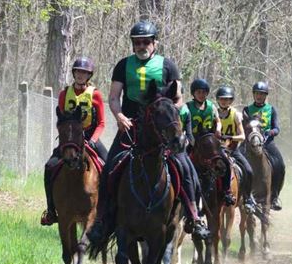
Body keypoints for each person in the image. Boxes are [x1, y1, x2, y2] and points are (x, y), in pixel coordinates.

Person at [87, 20, 208, 243]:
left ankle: (195, 216)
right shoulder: (123, 65)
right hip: (131, 127)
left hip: (162, 132)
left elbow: (179, 99)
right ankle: (102, 220)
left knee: (186, 168)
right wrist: (120, 116)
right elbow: (114, 97)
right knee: (109, 169)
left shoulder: (168, 66)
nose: (141, 46)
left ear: (155, 43)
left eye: (146, 42)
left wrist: (170, 117)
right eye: (137, 42)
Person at [40, 57, 107, 225]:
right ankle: (51, 210)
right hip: (70, 140)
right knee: (49, 167)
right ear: (73, 73)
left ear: (89, 75)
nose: (80, 75)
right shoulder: (64, 94)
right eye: (78, 71)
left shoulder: (96, 95)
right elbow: (61, 120)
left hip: (90, 138)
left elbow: (101, 123)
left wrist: (92, 140)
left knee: (109, 166)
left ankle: (108, 209)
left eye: (84, 73)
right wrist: (66, 139)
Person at [186, 79, 235, 206]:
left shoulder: (211, 106)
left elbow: (218, 121)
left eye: (204, 92)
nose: (201, 94)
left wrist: (218, 129)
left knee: (225, 162)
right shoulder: (187, 107)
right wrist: (191, 141)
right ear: (193, 93)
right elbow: (185, 125)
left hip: (210, 143)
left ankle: (226, 192)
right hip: (194, 142)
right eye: (198, 92)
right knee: (183, 165)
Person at [243, 81, 285, 211]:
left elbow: (277, 128)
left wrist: (270, 132)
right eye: (257, 94)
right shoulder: (247, 110)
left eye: (261, 94)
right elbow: (242, 126)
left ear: (265, 95)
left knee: (280, 165)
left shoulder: (271, 109)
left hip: (267, 143)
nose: (259, 96)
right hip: (250, 143)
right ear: (253, 94)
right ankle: (241, 195)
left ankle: (275, 196)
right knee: (238, 163)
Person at [215, 86, 254, 212]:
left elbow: (242, 136)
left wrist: (230, 137)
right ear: (218, 100)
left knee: (248, 170)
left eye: (227, 99)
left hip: (232, 150)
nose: (224, 101)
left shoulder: (236, 115)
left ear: (231, 101)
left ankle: (248, 198)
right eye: (222, 99)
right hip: (217, 150)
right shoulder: (213, 113)